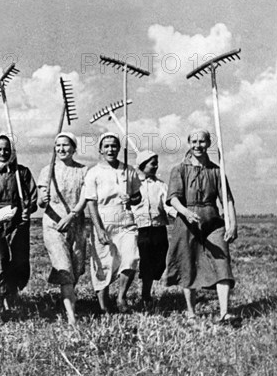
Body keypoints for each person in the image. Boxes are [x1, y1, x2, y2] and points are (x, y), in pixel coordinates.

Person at [165, 130, 238, 324]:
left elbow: (227, 200)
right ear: (189, 143)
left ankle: (225, 313)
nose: (198, 145)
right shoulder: (179, 169)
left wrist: (233, 223)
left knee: (222, 263)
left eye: (202, 142)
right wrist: (187, 213)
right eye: (194, 141)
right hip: (186, 223)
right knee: (188, 264)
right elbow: (173, 198)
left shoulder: (216, 171)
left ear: (208, 143)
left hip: (213, 223)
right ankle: (191, 312)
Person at [84, 132, 141, 313]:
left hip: (126, 221)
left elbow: (138, 196)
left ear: (119, 148)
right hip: (103, 221)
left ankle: (121, 297)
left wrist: (131, 198)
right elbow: (91, 202)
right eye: (106, 146)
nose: (110, 149)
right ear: (100, 149)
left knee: (131, 259)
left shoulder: (128, 170)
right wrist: (99, 229)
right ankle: (103, 306)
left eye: (114, 146)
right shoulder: (93, 173)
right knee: (103, 264)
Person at [37, 132, 89, 324]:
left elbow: (85, 196)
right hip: (53, 225)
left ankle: (67, 299)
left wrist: (72, 215)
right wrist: (42, 200)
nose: (61, 149)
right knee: (64, 269)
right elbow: (40, 202)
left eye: (66, 145)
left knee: (75, 268)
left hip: (76, 223)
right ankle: (71, 317)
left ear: (74, 148)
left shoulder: (84, 171)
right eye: (58, 146)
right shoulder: (47, 171)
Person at [0, 133, 37, 310]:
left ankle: (14, 292)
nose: (3, 153)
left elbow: (32, 198)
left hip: (18, 221)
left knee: (19, 258)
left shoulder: (22, 172)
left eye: (6, 149)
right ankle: (3, 299)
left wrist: (27, 209)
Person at [131, 150, 174, 309]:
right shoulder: (133, 185)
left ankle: (148, 288)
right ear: (142, 165)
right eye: (152, 163)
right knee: (145, 263)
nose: (156, 166)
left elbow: (168, 205)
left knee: (159, 262)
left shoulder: (161, 185)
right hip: (140, 229)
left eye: (156, 163)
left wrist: (180, 214)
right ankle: (145, 295)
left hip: (159, 228)